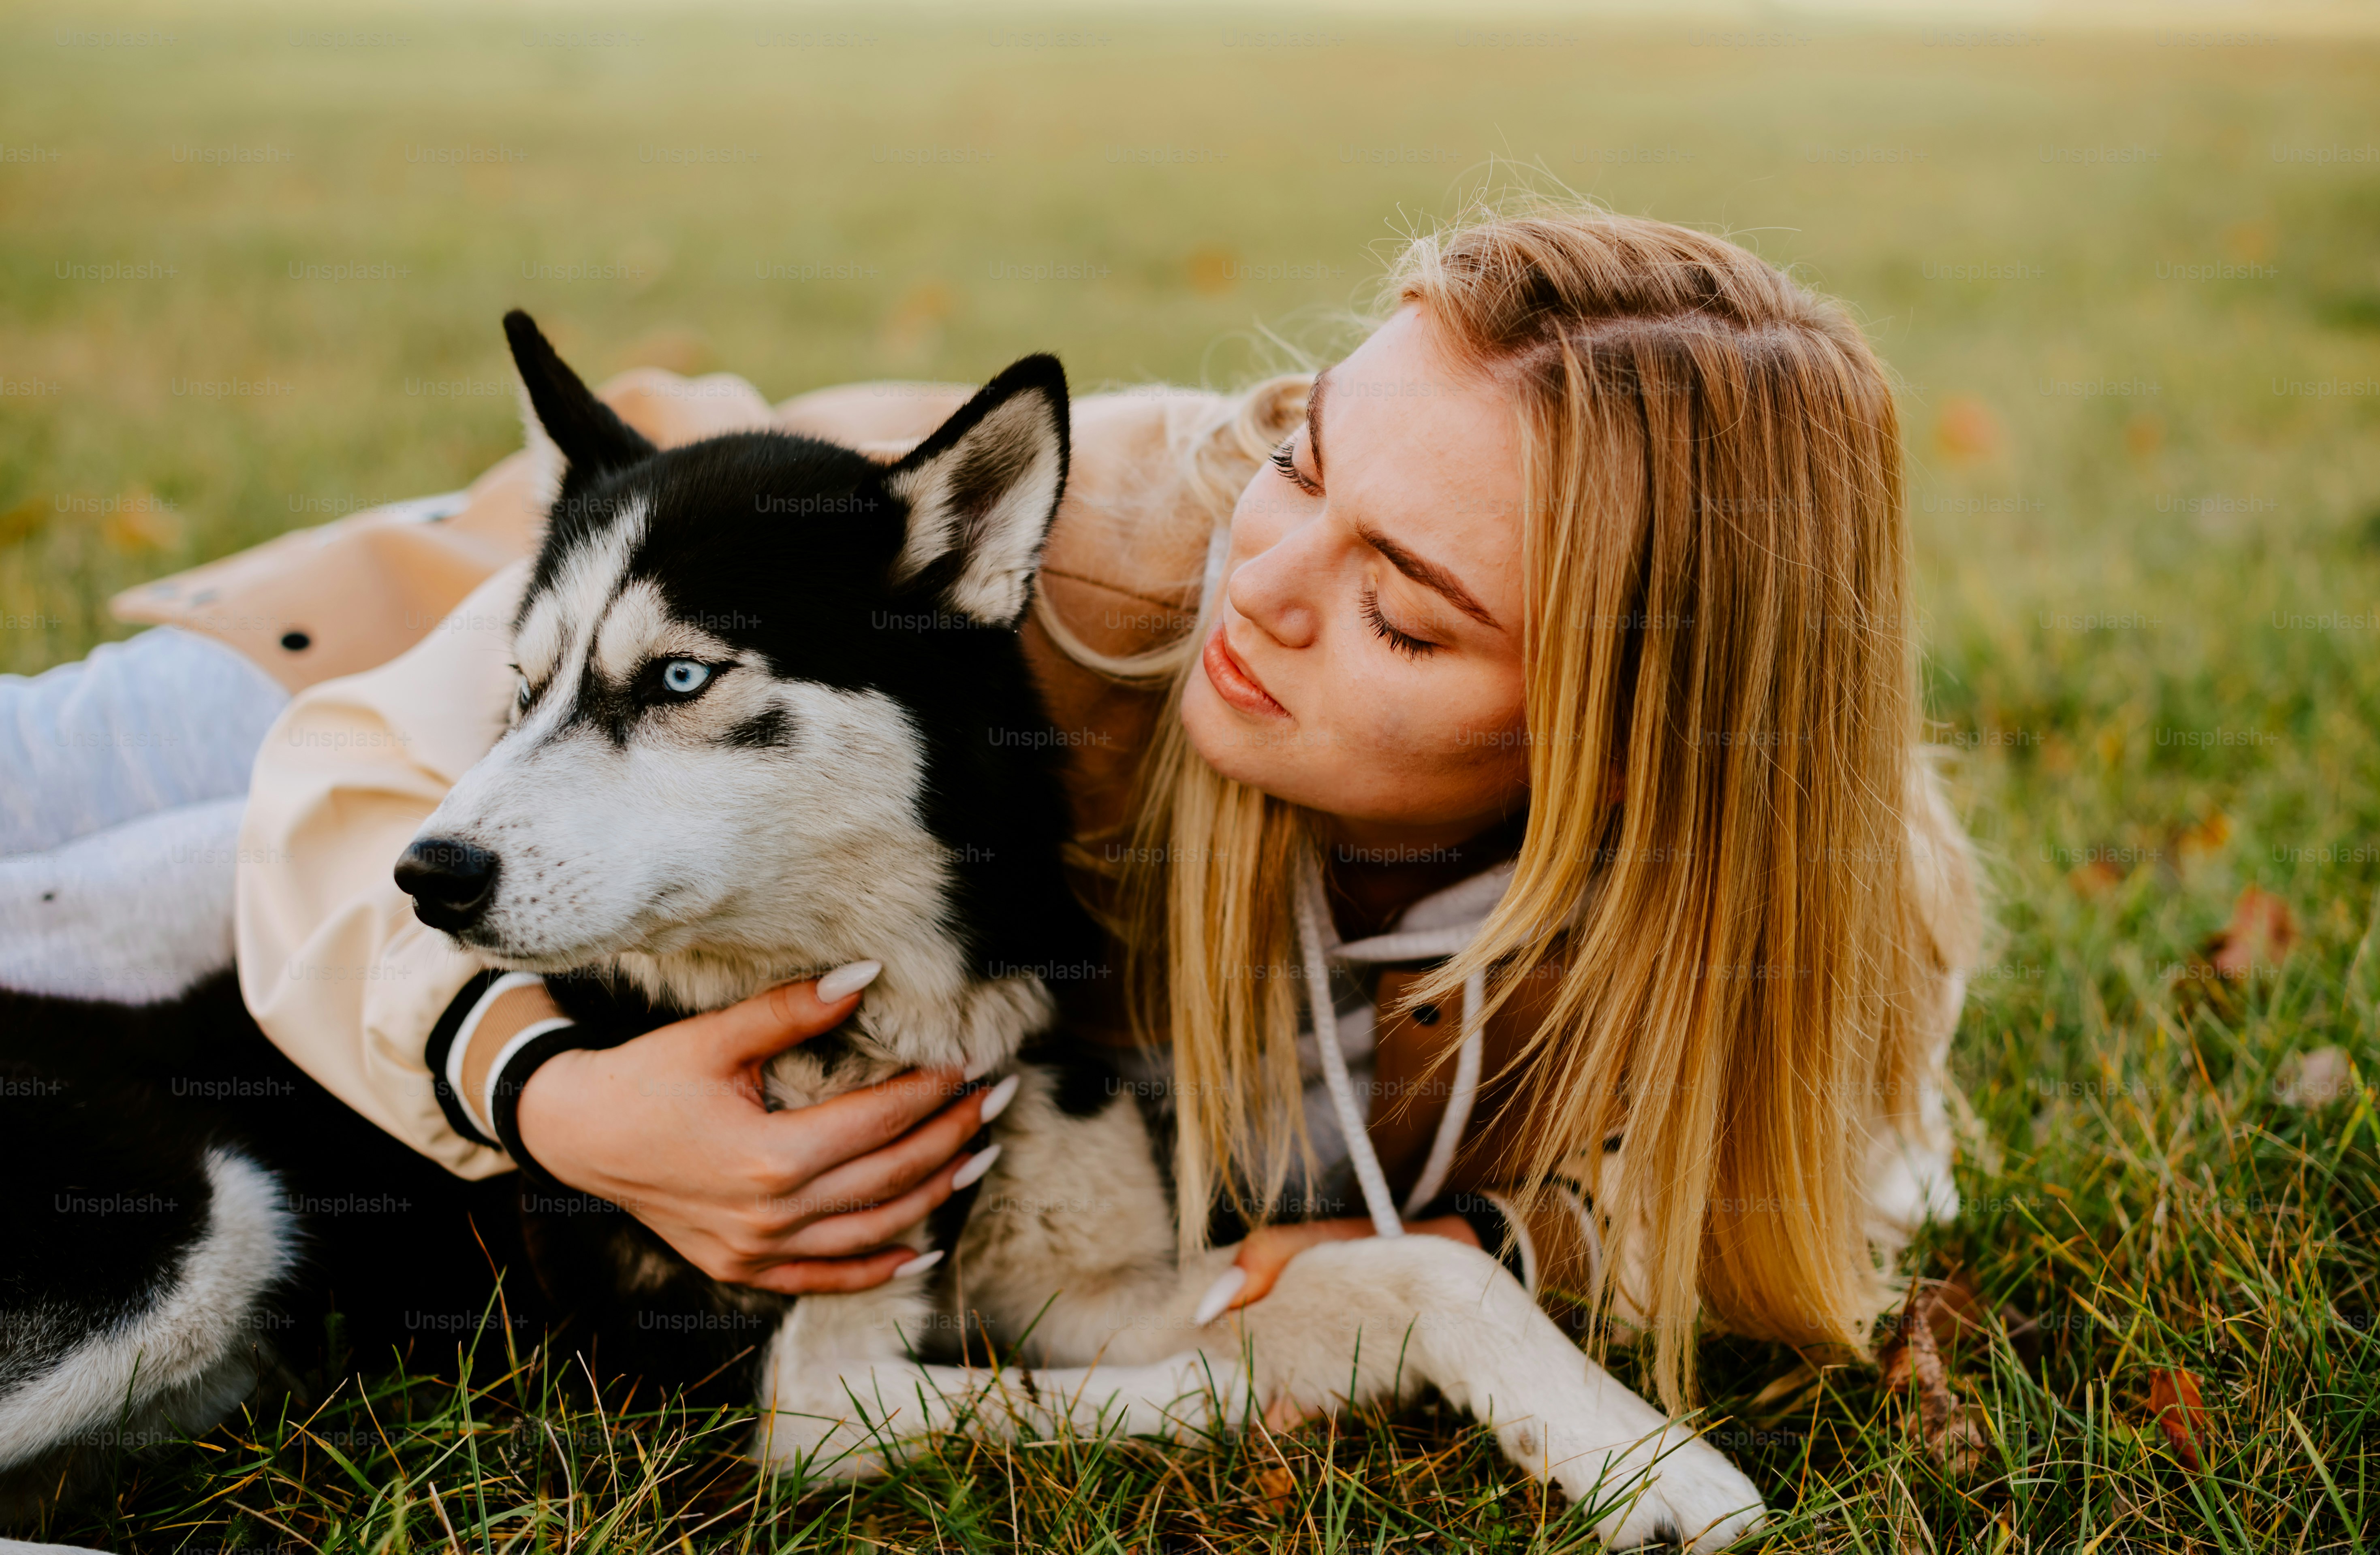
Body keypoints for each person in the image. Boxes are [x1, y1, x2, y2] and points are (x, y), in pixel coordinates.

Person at [3, 202, 1978, 1413]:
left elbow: (1778, 1195)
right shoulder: (1091, 570)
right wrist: (556, 1099)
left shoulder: (1804, 911)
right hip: (349, 707)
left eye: (1399, 605)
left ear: (1625, 740)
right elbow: (338, 797)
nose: (1265, 587)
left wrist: (1486, 1241)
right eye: (1305, 456)